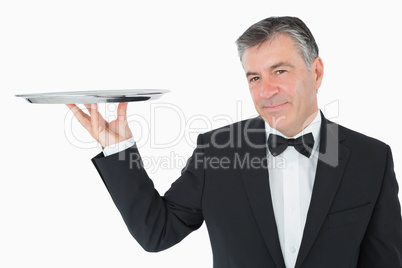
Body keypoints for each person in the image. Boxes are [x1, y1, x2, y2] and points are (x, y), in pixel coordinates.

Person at [67, 16, 402, 267]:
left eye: (280, 71)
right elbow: (157, 233)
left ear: (316, 72)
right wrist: (118, 147)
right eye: (254, 77)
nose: (265, 91)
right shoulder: (218, 150)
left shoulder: (371, 158)